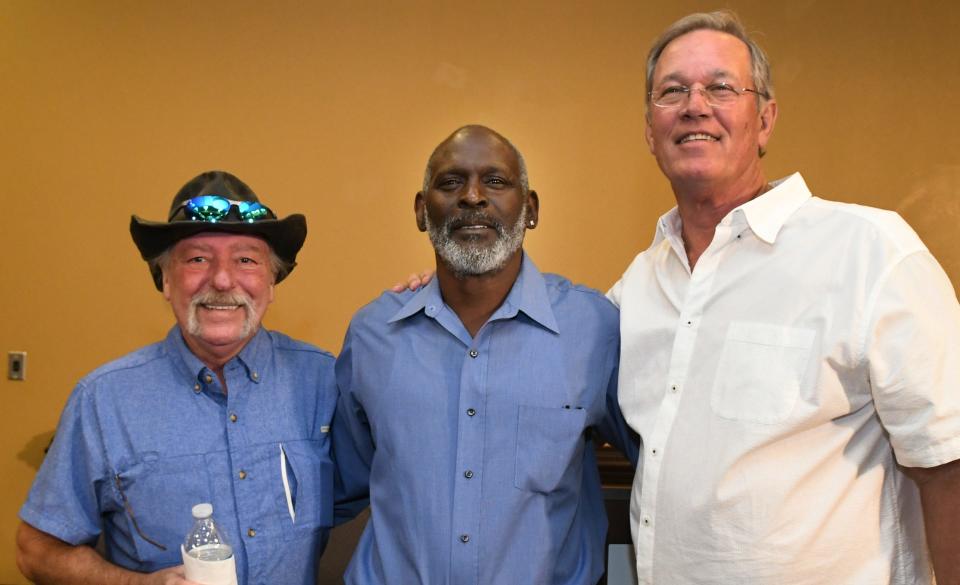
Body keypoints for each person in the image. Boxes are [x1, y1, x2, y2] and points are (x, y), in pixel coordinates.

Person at [607, 11, 960, 585]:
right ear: (650, 130)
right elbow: (547, 335)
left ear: (765, 120)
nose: (695, 104)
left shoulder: (869, 251)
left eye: (721, 87)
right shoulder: (639, 286)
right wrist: (441, 293)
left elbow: (948, 459)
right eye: (672, 91)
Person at [335, 125, 637, 585]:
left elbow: (659, 461)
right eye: (450, 182)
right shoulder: (374, 334)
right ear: (421, 211)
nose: (473, 196)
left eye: (495, 181)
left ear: (530, 208)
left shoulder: (594, 329)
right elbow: (342, 481)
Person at [16, 171, 347, 585]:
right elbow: (35, 551)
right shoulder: (102, 400)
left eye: (246, 259)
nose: (223, 280)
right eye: (197, 259)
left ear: (271, 281)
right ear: (166, 281)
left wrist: (431, 295)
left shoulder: (324, 380)